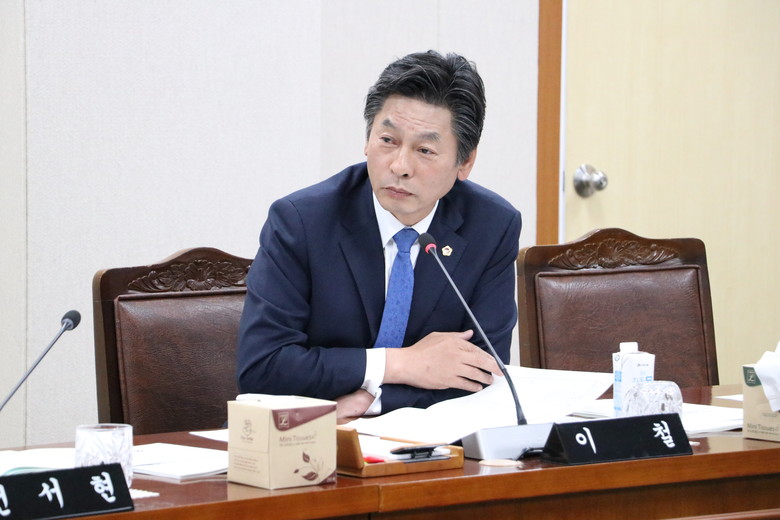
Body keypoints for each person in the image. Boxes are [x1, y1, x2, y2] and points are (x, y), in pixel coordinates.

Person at [237, 50, 522, 423]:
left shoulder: (491, 226)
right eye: (387, 140)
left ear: (465, 162)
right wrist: (400, 364)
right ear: (367, 139)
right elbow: (263, 368)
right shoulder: (301, 222)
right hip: (304, 437)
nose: (400, 166)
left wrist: (373, 403)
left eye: (425, 150)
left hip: (424, 442)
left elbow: (485, 372)